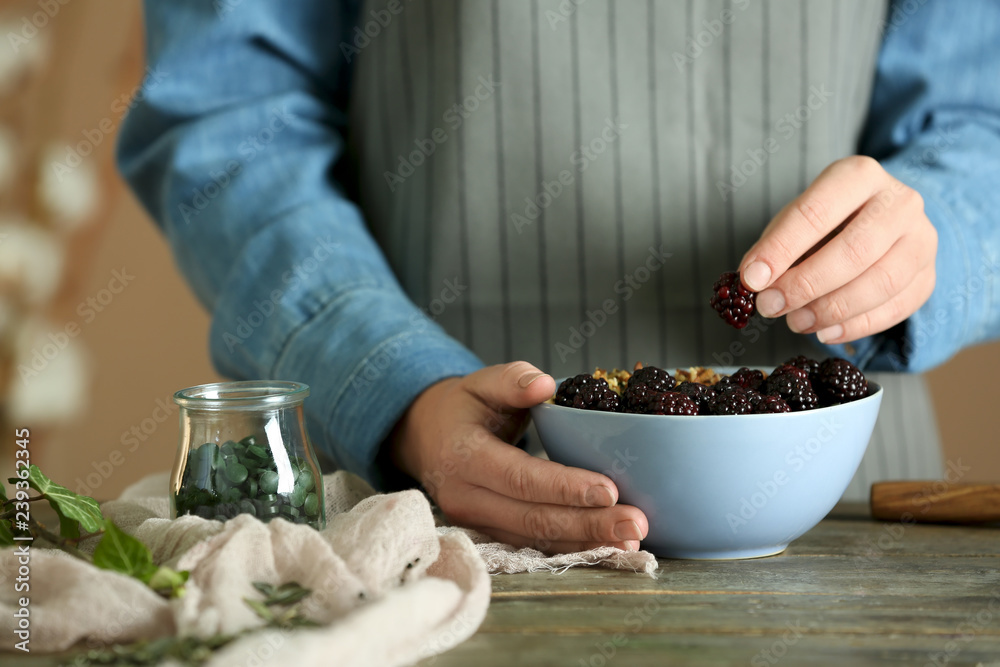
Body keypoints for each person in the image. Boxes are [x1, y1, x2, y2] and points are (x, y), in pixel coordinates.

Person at [118, 0, 1000, 553]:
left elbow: (980, 119)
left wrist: (939, 229)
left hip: (839, 522)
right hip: (445, 522)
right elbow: (229, 114)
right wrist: (390, 379)